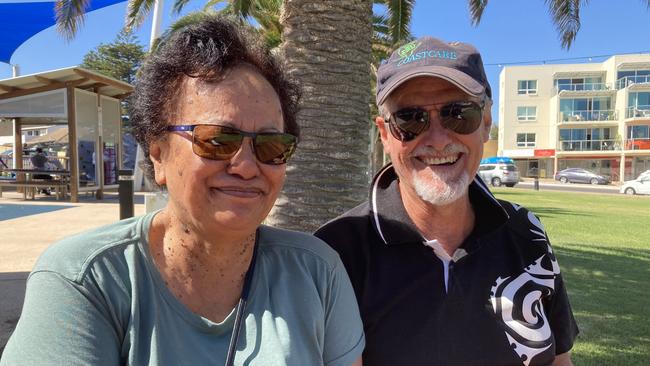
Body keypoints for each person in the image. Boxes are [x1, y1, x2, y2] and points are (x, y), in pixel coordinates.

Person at [1, 14, 364, 366]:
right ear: (158, 154)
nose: (247, 166)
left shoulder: (317, 273)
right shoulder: (85, 279)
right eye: (218, 140)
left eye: (271, 145)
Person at [315, 36, 578, 366]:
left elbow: (559, 360)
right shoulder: (334, 254)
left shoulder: (527, 233)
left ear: (485, 123)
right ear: (384, 133)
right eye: (410, 119)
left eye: (459, 114)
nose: (438, 140)